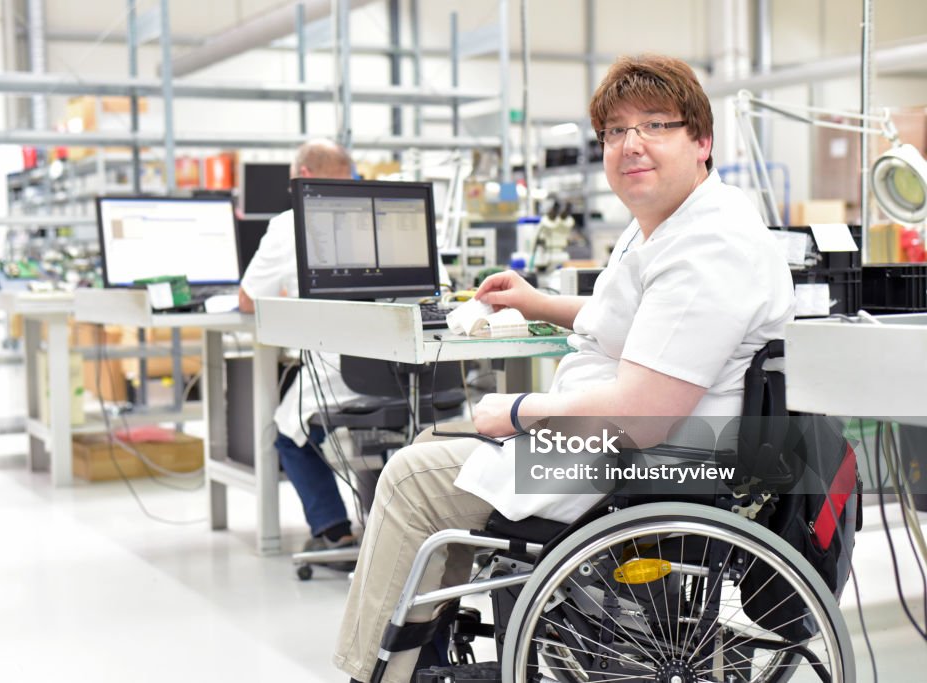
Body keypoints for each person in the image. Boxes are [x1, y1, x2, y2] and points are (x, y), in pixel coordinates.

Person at [333, 54, 796, 683]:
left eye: (656, 125)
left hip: (636, 457)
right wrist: (535, 301)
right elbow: (629, 315)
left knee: (411, 478)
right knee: (432, 444)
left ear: (702, 142)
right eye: (615, 131)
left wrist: (519, 412)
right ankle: (424, 644)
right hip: (625, 442)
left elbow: (642, 416)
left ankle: (371, 671)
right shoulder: (675, 222)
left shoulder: (708, 249)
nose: (632, 144)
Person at [239, 139, 361, 554]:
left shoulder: (288, 224)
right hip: (403, 371)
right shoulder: (373, 218)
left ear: (303, 176)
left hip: (340, 369)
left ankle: (334, 530)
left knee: (287, 433)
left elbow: (247, 300)